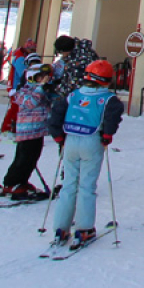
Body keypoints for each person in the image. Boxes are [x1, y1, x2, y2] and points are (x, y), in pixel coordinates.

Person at [48, 59, 123, 248]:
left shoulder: (72, 95)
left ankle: (61, 228)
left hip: (71, 139)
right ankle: (84, 229)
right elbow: (112, 117)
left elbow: (56, 114)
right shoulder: (108, 98)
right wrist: (107, 136)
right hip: (92, 140)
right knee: (87, 186)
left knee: (68, 185)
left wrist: (58, 137)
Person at [0, 56, 55, 199]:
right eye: (40, 77)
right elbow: (30, 103)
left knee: (32, 158)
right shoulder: (24, 91)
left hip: (38, 131)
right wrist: (41, 88)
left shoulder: (40, 90)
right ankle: (12, 182)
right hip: (27, 132)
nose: (44, 80)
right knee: (23, 158)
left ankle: (22, 181)